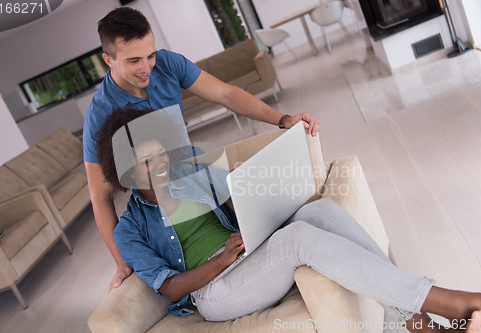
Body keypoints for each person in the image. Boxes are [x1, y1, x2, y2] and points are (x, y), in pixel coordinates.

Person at [96, 107, 481, 333]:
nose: (159, 164)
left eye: (160, 153)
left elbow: (239, 207)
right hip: (214, 290)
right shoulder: (130, 230)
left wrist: (255, 204)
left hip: (250, 254)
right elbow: (169, 289)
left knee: (317, 210)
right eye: (145, 162)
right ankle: (450, 304)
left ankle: (416, 323)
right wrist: (221, 260)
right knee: (297, 238)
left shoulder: (191, 175)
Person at [83, 6, 320, 292]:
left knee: (300, 212)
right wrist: (122, 263)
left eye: (150, 54)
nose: (147, 67)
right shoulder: (100, 113)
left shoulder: (167, 64)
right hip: (159, 197)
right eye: (134, 60)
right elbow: (100, 195)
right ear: (109, 59)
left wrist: (284, 120)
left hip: (194, 178)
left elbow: (225, 93)